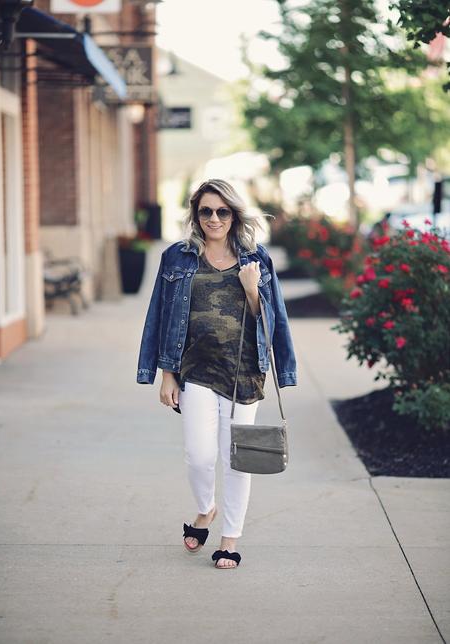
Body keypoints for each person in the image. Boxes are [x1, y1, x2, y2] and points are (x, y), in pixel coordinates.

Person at [136, 179, 297, 569]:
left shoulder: (255, 259)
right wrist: (165, 374)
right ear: (196, 214)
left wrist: (252, 289)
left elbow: (271, 320)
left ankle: (229, 539)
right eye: (206, 210)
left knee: (238, 458)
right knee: (199, 455)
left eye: (222, 211)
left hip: (244, 374)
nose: (213, 218)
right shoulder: (177, 257)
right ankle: (205, 509)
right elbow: (159, 315)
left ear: (234, 215)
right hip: (196, 371)